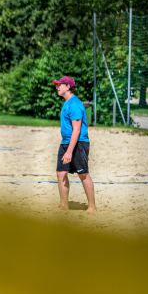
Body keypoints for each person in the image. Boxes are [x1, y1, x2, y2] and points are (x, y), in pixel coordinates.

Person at [52, 75, 97, 213]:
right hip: (66, 142)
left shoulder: (75, 104)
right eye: (57, 85)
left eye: (60, 84)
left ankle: (92, 207)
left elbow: (77, 130)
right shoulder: (67, 103)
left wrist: (69, 151)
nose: (57, 87)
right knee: (61, 173)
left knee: (83, 174)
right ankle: (64, 205)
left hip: (79, 143)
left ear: (68, 86)